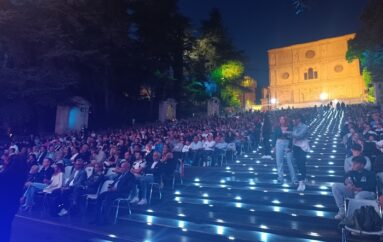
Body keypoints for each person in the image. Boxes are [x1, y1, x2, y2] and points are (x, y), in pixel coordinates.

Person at [332, 156, 376, 220]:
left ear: (362, 165)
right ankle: (342, 210)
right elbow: (344, 178)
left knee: (359, 195)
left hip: (367, 193)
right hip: (353, 191)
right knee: (336, 186)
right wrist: (347, 182)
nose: (353, 165)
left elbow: (372, 186)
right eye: (353, 163)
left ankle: (356, 216)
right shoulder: (351, 172)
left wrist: (359, 189)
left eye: (355, 163)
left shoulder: (370, 173)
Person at [0, 154, 29, 242]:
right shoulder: (22, 175)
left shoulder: (5, 174)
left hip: (3, 203)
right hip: (13, 203)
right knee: (6, 225)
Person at [273, 115, 296, 184]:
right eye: (280, 119)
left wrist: (290, 146)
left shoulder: (290, 127)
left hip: (287, 143)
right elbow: (274, 137)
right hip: (279, 143)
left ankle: (294, 179)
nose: (282, 120)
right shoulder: (277, 128)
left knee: (290, 162)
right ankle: (280, 178)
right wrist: (273, 146)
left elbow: (292, 137)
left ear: (285, 120)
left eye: (283, 119)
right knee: (279, 161)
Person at [292, 114, 310, 191]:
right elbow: (294, 137)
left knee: (301, 162)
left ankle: (302, 181)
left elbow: (299, 136)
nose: (293, 121)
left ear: (298, 119)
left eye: (294, 119)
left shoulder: (304, 127)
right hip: (296, 146)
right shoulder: (294, 127)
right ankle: (303, 177)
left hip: (303, 147)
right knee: (299, 164)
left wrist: (289, 133)